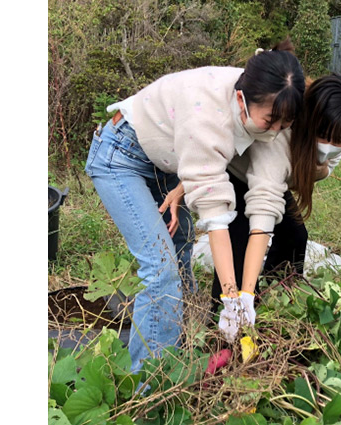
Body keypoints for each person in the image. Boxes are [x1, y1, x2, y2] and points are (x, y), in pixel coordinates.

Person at [84, 38, 305, 373]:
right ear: (242, 101)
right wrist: (232, 299)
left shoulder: (267, 95)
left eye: (284, 125)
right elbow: (216, 219)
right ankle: (149, 382)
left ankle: (185, 349)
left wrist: (244, 296)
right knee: (161, 270)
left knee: (181, 253)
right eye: (269, 121)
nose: (274, 133)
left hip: (168, 162)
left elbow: (261, 204)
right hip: (121, 158)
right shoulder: (207, 113)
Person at [209, 73, 341, 308]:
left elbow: (318, 170)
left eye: (340, 139)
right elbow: (263, 216)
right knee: (240, 242)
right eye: (323, 135)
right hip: (238, 172)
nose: (329, 145)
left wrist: (319, 167)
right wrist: (245, 296)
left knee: (295, 237)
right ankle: (224, 314)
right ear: (309, 117)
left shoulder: (336, 129)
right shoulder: (281, 132)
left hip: (274, 180)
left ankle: (279, 298)